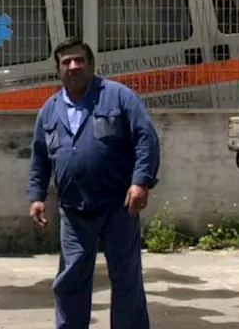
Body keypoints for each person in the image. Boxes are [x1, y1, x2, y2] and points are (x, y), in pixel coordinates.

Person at [27, 38, 161, 329]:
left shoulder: (118, 96)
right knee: (71, 278)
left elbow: (145, 138)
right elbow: (39, 157)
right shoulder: (49, 110)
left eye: (79, 60)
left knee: (126, 277)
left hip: (119, 207)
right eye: (66, 62)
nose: (73, 66)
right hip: (74, 211)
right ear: (58, 70)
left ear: (91, 64)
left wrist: (141, 182)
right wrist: (36, 196)